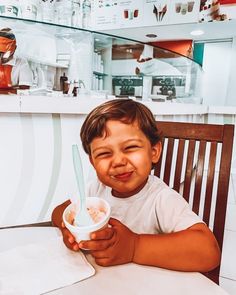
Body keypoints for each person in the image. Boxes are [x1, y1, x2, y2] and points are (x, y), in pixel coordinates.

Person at [51, 98, 220, 272]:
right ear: (93, 163)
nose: (118, 161)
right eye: (104, 153)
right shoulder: (94, 190)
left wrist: (134, 247)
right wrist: (68, 228)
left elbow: (209, 252)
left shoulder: (161, 199)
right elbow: (59, 211)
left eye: (130, 147)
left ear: (154, 152)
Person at [0, 27, 32, 94]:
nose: (1, 57)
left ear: (14, 49)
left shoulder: (22, 63)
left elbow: (24, 90)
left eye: (5, 54)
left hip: (13, 101)